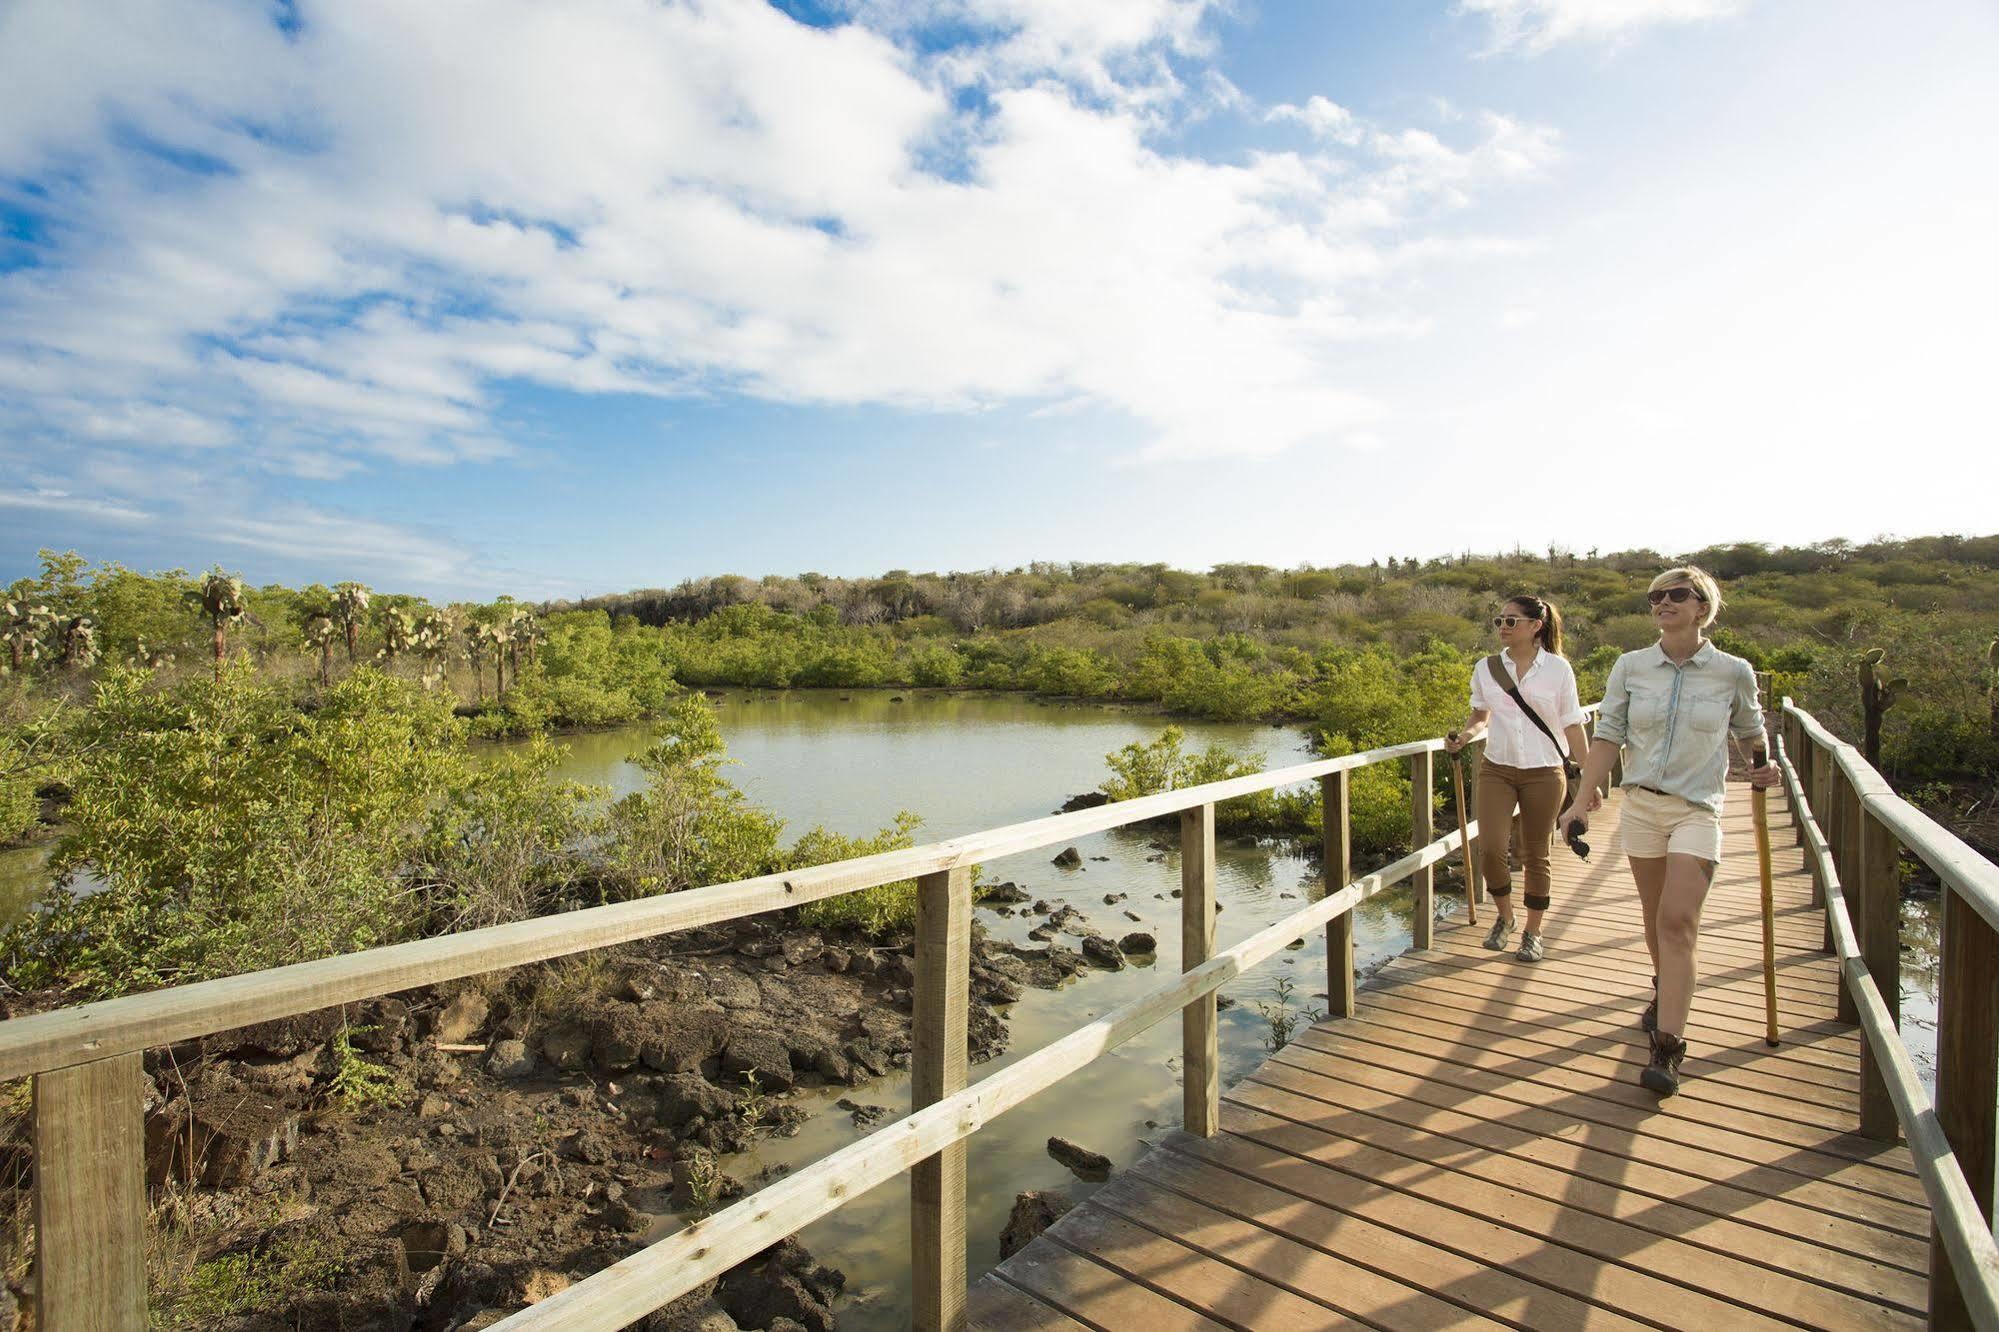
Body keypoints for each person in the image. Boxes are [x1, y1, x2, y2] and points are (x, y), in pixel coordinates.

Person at [1560, 565, 1778, 1095]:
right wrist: (1580, 800)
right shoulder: (1631, 666)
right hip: (1640, 809)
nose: (1663, 602)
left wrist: (1764, 765)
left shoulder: (1733, 672)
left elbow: (1753, 732)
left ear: (1703, 605)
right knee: (1656, 920)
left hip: (1697, 810)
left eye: (1677, 595)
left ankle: (1667, 1048)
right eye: (1656, 596)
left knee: (1678, 922)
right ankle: (1666, 987)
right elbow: (1608, 734)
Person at [1445, 594, 1589, 964]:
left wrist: (1589, 777)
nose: (1503, 628)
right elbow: (1481, 715)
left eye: (1511, 621)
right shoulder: (1487, 667)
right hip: (1498, 767)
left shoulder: (1559, 671)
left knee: (1535, 853)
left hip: (1544, 772)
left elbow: (1572, 724)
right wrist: (1464, 736)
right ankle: (1506, 917)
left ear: (1535, 626)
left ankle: (1533, 933)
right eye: (1500, 621)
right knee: (1490, 848)